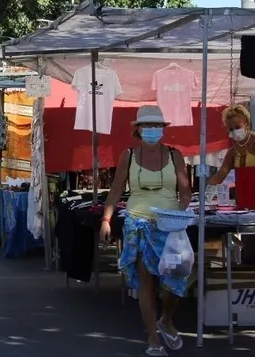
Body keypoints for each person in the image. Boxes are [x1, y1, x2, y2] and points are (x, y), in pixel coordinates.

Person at [99, 106, 191, 356]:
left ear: (163, 129)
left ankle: (166, 320)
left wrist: (179, 213)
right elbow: (116, 189)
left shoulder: (175, 155)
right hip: (138, 223)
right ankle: (152, 338)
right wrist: (106, 220)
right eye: (148, 125)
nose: (152, 130)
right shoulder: (128, 155)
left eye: (157, 126)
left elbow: (185, 191)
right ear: (138, 129)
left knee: (176, 279)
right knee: (146, 283)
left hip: (169, 225)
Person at [209, 104, 255, 186]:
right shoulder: (232, 152)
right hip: (242, 192)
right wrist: (206, 189)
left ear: (246, 123)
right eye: (231, 129)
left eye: (237, 127)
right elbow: (219, 176)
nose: (234, 131)